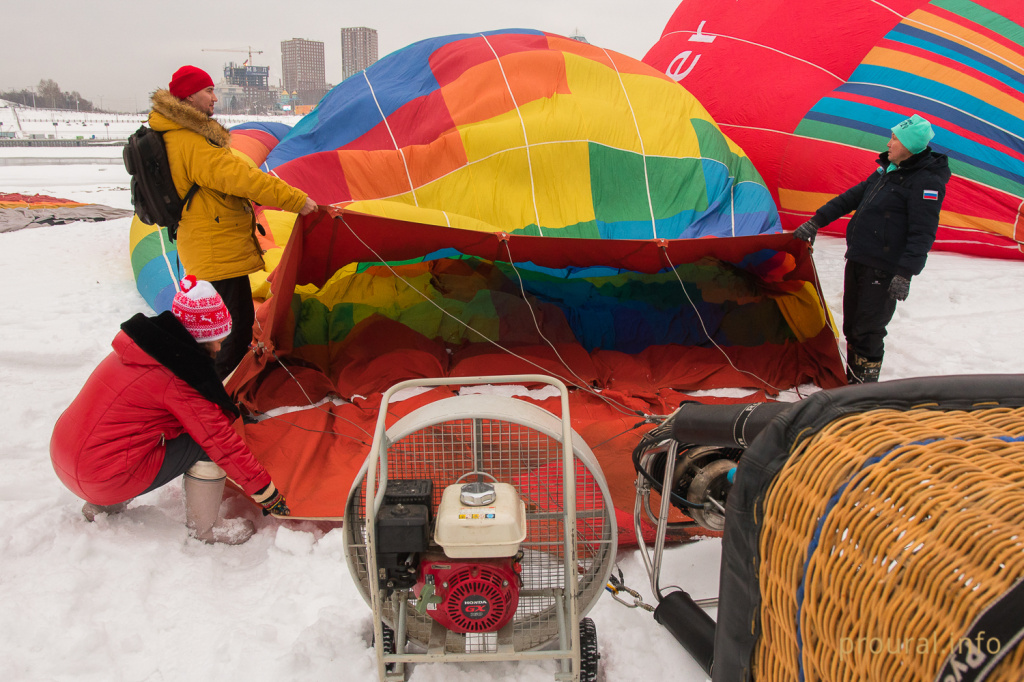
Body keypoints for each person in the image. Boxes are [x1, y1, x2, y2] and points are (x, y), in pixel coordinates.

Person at [50, 276, 290, 545]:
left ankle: (101, 507)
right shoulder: (178, 379)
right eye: (217, 341)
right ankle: (206, 529)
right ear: (201, 339)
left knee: (144, 433)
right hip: (103, 477)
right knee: (205, 445)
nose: (221, 347)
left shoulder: (142, 348)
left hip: (67, 457)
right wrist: (265, 491)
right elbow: (220, 441)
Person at [149, 65, 318, 379]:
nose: (215, 98)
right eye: (208, 91)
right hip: (216, 252)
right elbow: (242, 177)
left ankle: (212, 391)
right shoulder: (191, 140)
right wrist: (296, 199)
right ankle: (221, 400)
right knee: (232, 332)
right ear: (187, 96)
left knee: (215, 330)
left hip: (206, 245)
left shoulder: (175, 134)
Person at [793, 114, 950, 383]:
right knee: (852, 326)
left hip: (885, 267)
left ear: (910, 146)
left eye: (895, 139)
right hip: (859, 257)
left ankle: (864, 389)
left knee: (868, 329)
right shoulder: (887, 170)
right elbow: (851, 198)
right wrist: (816, 221)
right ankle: (853, 382)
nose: (888, 143)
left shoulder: (926, 182)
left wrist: (905, 273)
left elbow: (922, 232)